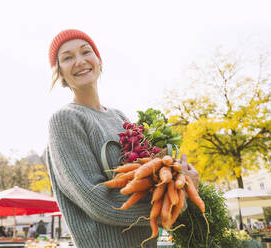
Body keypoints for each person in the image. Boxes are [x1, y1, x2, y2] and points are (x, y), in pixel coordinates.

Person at [46, 29, 200, 248]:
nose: (79, 61)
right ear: (59, 72)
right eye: (67, 57)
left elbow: (148, 177)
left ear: (98, 60)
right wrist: (177, 199)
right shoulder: (65, 120)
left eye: (85, 52)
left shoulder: (119, 117)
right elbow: (97, 201)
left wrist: (178, 177)